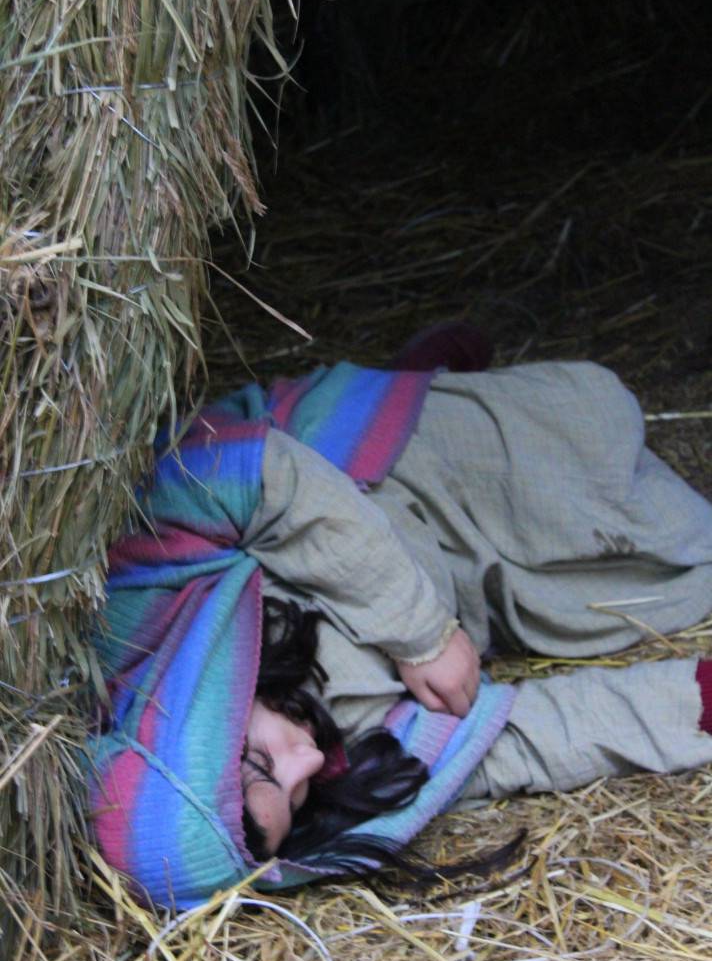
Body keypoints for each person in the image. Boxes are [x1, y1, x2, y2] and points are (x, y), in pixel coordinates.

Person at [84, 333, 712, 911]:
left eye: (265, 763)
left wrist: (422, 636)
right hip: (473, 589)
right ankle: (433, 377)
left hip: (383, 470)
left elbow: (234, 471)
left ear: (195, 724)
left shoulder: (141, 607)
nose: (309, 760)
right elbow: (511, 743)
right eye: (295, 802)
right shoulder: (341, 767)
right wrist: (695, 704)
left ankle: (416, 384)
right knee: (689, 573)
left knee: (602, 417)